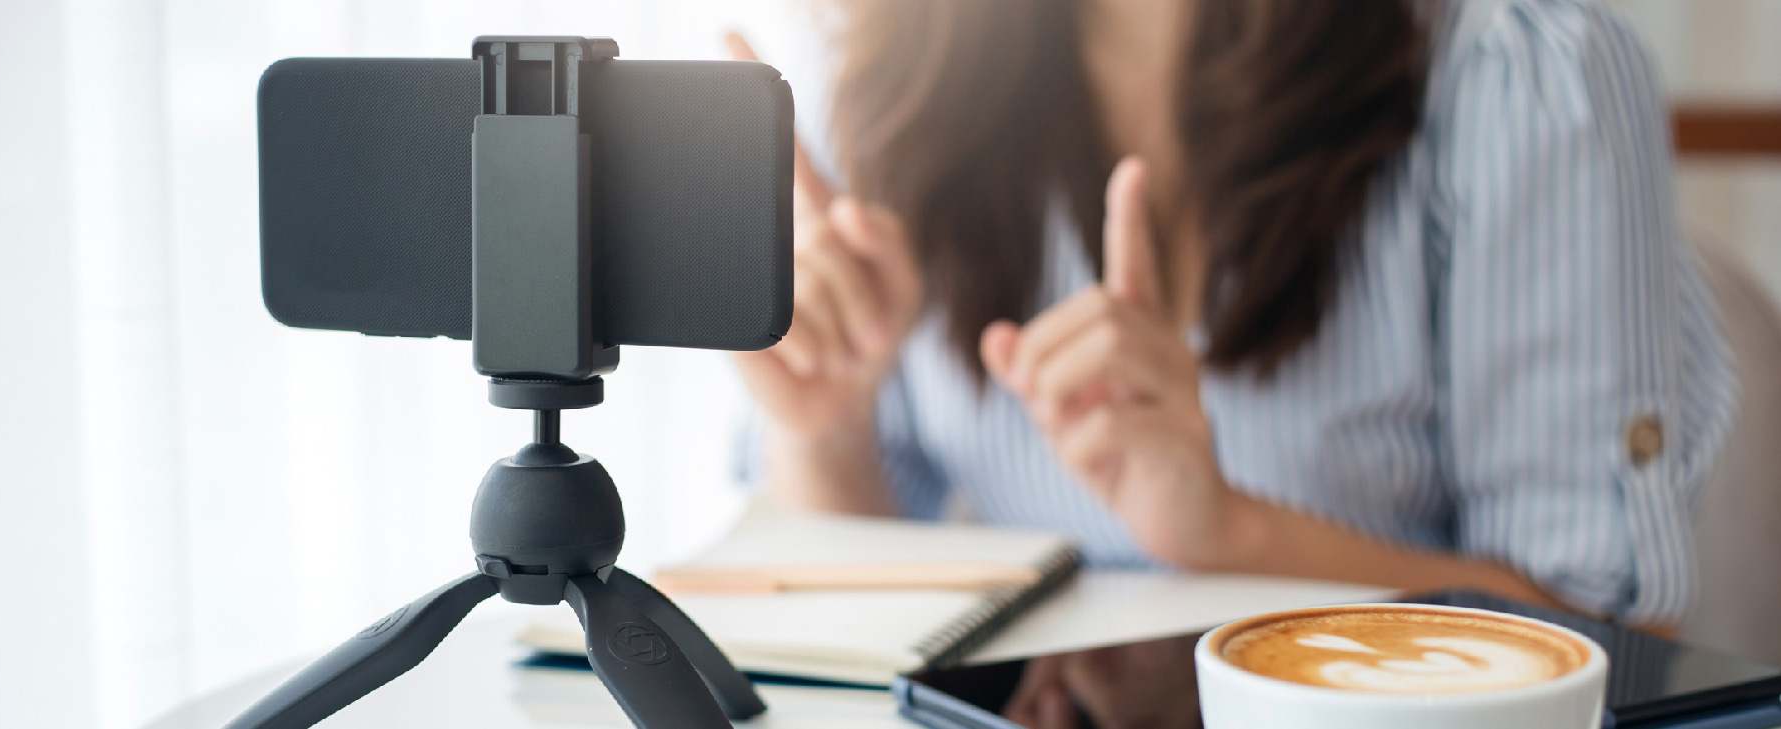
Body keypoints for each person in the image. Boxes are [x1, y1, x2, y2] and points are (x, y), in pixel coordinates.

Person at [729, 0, 1735, 632]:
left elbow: (1610, 646)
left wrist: (1232, 531)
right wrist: (823, 428)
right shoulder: (881, 75)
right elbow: (851, 607)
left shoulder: (1522, 73)